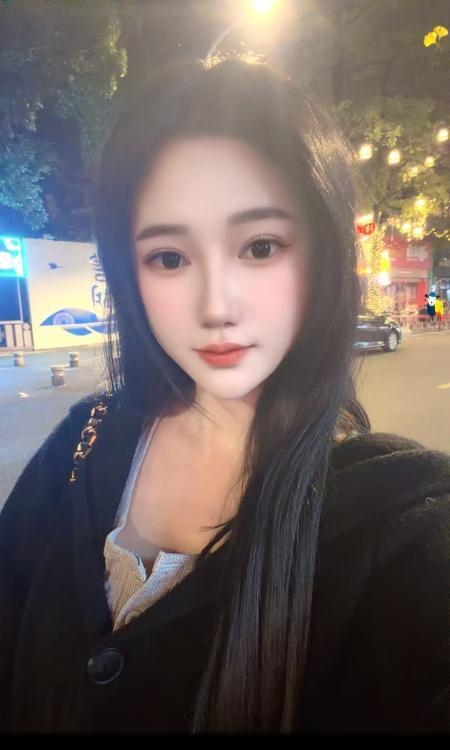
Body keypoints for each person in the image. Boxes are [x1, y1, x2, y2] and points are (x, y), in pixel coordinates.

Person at [0, 59, 449, 735]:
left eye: (260, 247)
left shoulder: (400, 523)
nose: (215, 306)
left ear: (323, 254)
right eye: (169, 258)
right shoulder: (85, 440)